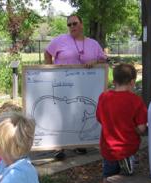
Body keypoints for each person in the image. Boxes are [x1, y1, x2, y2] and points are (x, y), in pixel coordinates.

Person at [45, 14, 107, 159]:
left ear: (81, 24)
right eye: (69, 25)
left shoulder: (93, 44)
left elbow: (103, 61)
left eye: (74, 23)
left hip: (85, 88)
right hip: (63, 85)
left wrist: (94, 62)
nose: (72, 27)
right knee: (61, 113)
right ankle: (58, 146)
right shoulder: (60, 40)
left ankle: (79, 143)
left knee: (80, 113)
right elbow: (47, 53)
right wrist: (50, 73)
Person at [96, 63, 147, 183]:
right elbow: (142, 129)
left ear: (114, 81)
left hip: (109, 147)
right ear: (132, 82)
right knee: (129, 176)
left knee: (108, 176)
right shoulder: (136, 100)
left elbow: (100, 119)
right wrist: (132, 127)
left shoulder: (104, 97)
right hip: (129, 149)